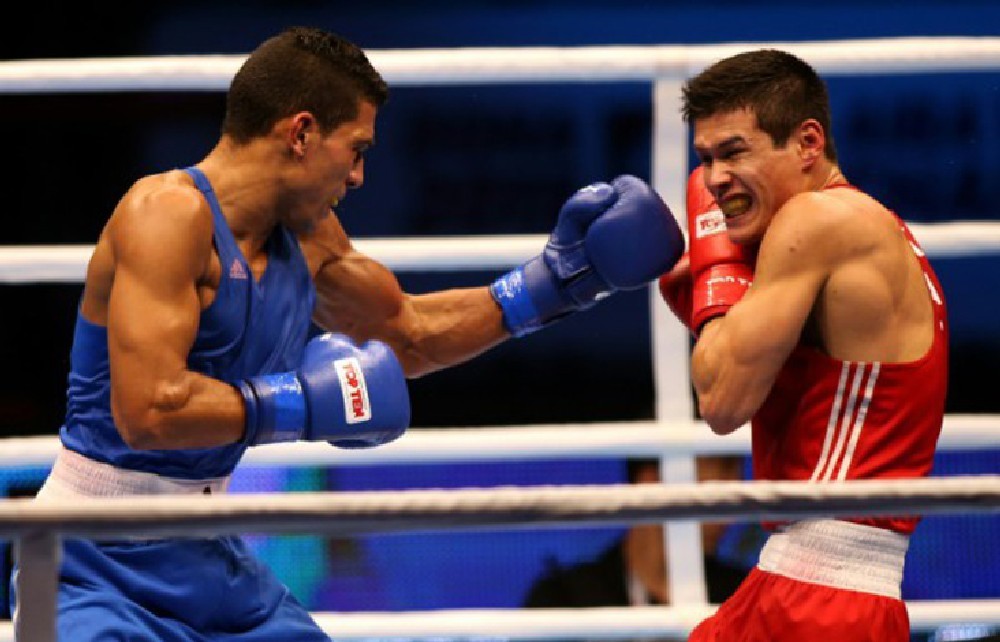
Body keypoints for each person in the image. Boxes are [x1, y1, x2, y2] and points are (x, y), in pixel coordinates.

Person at [10, 26, 686, 641]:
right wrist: (298, 404)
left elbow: (409, 335)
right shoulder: (165, 215)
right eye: (355, 149)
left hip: (206, 554)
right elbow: (147, 410)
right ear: (301, 132)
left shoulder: (307, 237)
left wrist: (554, 284)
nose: (359, 177)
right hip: (93, 557)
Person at [658, 49, 948, 641]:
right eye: (706, 159)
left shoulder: (815, 220)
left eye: (735, 151)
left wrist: (716, 281)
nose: (714, 179)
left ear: (808, 143)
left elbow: (721, 402)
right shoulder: (878, 229)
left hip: (818, 597)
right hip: (820, 589)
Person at [523, 457, 750, 618]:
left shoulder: (742, 598)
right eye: (722, 470)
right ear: (650, 482)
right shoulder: (564, 601)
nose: (730, 513)